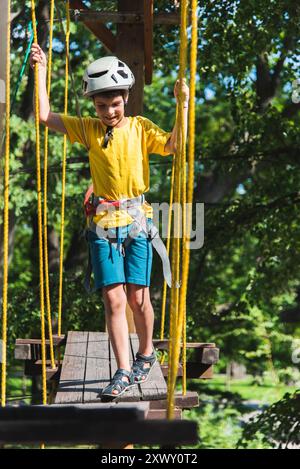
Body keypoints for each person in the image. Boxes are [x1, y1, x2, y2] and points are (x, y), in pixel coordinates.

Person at [30, 43, 189, 400]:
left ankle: (146, 352)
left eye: (115, 104)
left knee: (138, 299)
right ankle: (122, 370)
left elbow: (175, 145)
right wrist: (40, 70)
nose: (109, 111)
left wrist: (183, 104)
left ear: (126, 100)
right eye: (102, 106)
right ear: (93, 106)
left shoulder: (139, 128)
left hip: (136, 222)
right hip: (102, 225)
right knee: (114, 300)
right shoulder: (87, 129)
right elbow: (44, 116)